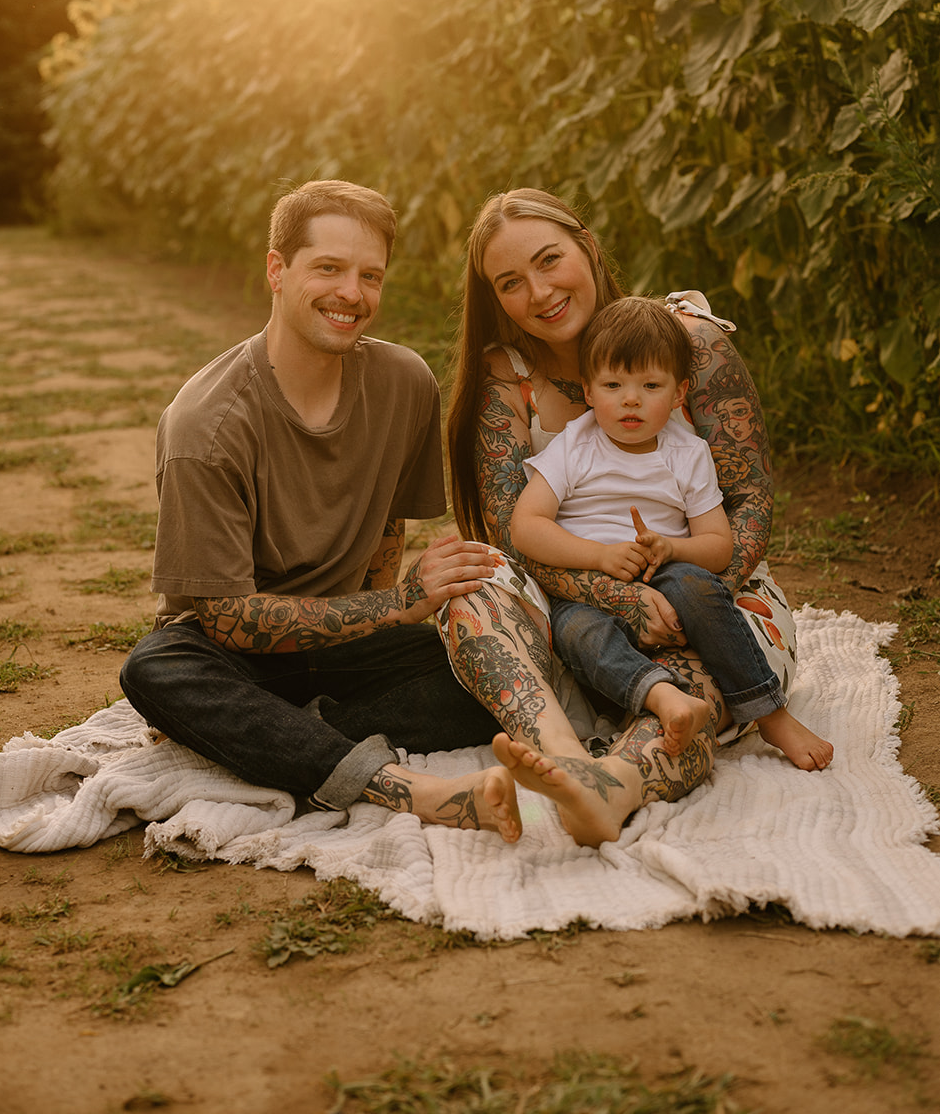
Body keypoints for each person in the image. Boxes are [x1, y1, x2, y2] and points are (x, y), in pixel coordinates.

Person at [119, 180, 524, 842]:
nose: (352, 294)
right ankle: (412, 790)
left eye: (370, 275)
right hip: (232, 655)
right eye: (329, 268)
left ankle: (273, 736)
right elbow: (229, 621)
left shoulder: (404, 384)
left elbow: (387, 532)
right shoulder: (207, 425)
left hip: (346, 650)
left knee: (496, 658)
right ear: (277, 270)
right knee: (155, 668)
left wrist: (383, 626)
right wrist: (394, 606)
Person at [444, 188, 818, 843]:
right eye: (510, 282)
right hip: (578, 600)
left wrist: (692, 598)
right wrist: (618, 596)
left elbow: (750, 501)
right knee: (470, 584)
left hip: (705, 593)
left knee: (694, 692)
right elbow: (515, 532)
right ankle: (557, 752)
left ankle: (614, 783)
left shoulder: (685, 342)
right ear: (494, 298)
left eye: (548, 260)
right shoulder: (507, 380)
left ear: (586, 248)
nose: (537, 291)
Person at [509, 295, 833, 769]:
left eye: (650, 384)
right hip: (587, 588)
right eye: (613, 384)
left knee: (698, 586)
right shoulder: (574, 446)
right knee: (576, 631)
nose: (631, 398)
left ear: (680, 394)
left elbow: (719, 546)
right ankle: (663, 697)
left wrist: (672, 547)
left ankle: (768, 712)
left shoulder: (687, 453)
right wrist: (598, 557)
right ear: (590, 389)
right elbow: (526, 527)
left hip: (667, 576)